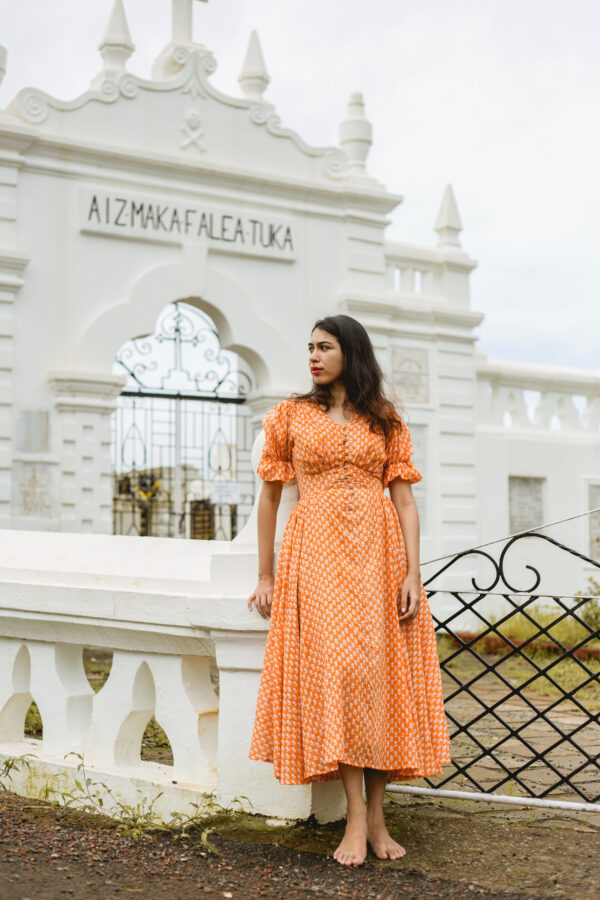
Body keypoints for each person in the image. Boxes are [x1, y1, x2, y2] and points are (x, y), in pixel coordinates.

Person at [247, 314, 451, 866]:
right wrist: (264, 574)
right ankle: (355, 819)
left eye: (325, 347)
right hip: (314, 555)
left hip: (378, 556)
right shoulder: (291, 416)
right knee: (338, 674)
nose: (313, 356)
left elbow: (406, 502)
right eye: (309, 347)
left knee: (381, 678)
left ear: (350, 352)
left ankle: (378, 817)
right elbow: (269, 498)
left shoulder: (385, 421)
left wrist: (413, 572)